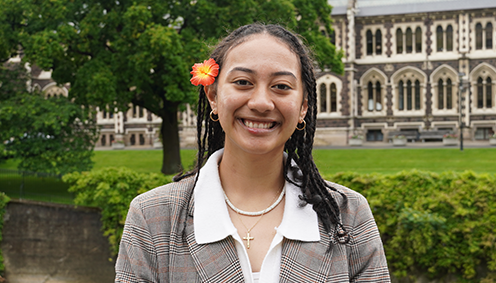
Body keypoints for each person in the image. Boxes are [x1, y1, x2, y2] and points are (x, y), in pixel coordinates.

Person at [115, 23, 390, 282]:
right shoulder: (152, 218)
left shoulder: (348, 215)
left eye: (281, 86)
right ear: (213, 96)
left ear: (303, 106)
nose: (261, 103)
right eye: (243, 82)